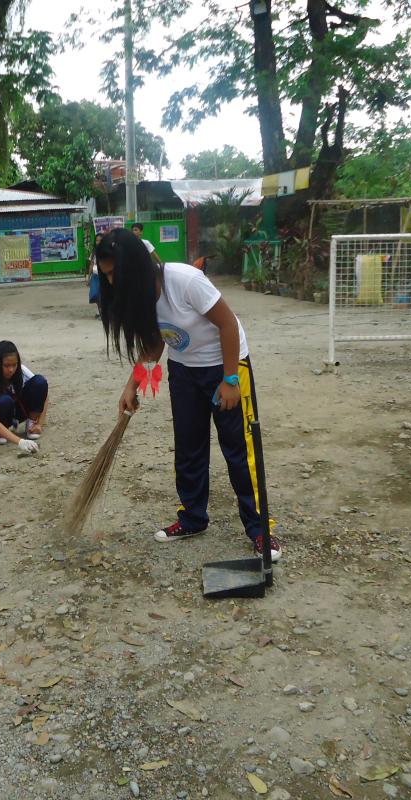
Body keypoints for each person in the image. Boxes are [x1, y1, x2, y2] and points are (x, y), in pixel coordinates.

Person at [95, 227, 281, 560]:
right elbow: (155, 344)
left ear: (134, 267)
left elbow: (227, 324)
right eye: (105, 276)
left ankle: (259, 530)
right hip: (184, 372)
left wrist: (229, 381)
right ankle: (193, 518)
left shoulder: (185, 281)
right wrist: (132, 384)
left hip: (226, 365)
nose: (110, 284)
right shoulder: (140, 297)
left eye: (113, 275)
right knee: (189, 449)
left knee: (240, 449)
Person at [0, 340, 46, 453]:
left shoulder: (21, 371)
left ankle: (32, 425)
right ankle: (1, 432)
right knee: (4, 401)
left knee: (40, 381)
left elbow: (44, 393)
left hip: (20, 410)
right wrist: (20, 441)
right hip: (1, 414)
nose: (11, 369)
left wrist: (40, 423)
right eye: (6, 365)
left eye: (14, 365)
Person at [88, 233, 103, 318]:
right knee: (95, 294)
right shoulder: (94, 253)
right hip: (95, 276)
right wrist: (88, 277)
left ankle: (103, 313)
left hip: (104, 276)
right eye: (97, 240)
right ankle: (100, 312)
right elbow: (91, 264)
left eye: (100, 240)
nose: (98, 242)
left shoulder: (108, 252)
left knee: (103, 295)